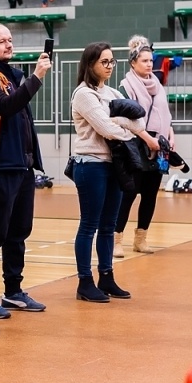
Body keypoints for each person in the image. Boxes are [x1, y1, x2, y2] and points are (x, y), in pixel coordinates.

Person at [0, 23, 51, 318]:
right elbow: (6, 106)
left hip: (22, 166)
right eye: (1, 41)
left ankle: (13, 290)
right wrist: (37, 78)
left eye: (10, 40)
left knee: (19, 231)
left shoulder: (11, 77)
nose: (9, 44)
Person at [68, 43, 154, 303]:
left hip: (114, 164)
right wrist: (122, 124)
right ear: (90, 64)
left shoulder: (113, 92)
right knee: (89, 225)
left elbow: (140, 123)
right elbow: (106, 128)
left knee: (108, 226)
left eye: (111, 61)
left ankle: (106, 276)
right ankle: (85, 282)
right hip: (90, 164)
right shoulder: (83, 94)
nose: (109, 66)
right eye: (104, 62)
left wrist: (122, 123)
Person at [114, 37, 176, 256]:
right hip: (136, 145)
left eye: (151, 60)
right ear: (133, 62)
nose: (149, 64)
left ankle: (141, 238)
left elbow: (165, 113)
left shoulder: (158, 85)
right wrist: (146, 138)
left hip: (158, 146)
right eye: (144, 61)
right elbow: (125, 118)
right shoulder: (125, 86)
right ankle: (116, 239)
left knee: (150, 194)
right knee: (129, 193)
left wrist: (169, 132)